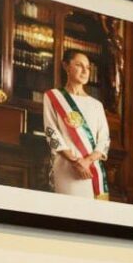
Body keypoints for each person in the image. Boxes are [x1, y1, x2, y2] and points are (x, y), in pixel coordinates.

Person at [42, 51, 110, 199]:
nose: (85, 71)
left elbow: (104, 139)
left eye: (88, 67)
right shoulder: (53, 96)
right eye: (79, 65)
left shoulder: (96, 105)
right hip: (67, 168)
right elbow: (52, 132)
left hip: (91, 168)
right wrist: (75, 162)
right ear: (66, 66)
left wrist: (87, 161)